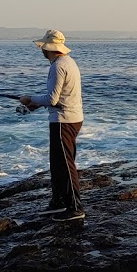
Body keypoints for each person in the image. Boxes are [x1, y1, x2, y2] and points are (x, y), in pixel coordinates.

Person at [20, 29, 85, 222]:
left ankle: (75, 207)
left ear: (48, 48)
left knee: (64, 165)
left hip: (63, 121)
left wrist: (29, 99)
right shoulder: (69, 63)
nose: (41, 50)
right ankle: (58, 201)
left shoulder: (58, 66)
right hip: (71, 118)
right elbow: (59, 99)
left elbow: (51, 98)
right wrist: (35, 105)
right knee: (57, 163)